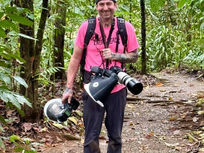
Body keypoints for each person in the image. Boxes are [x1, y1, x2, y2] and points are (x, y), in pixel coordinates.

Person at [62, 0, 140, 152]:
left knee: (115, 137)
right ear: (97, 7)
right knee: (90, 137)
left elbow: (134, 56)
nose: (105, 8)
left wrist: (115, 56)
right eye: (101, 4)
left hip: (117, 87)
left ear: (115, 5)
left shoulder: (125, 27)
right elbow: (75, 58)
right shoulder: (87, 27)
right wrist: (68, 88)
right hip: (92, 88)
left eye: (109, 3)